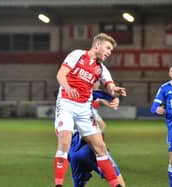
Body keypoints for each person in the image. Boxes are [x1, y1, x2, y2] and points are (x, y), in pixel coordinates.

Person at [54, 33, 126, 187]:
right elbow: (60, 74)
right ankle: (58, 184)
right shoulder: (77, 55)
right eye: (107, 48)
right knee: (65, 142)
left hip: (84, 110)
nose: (109, 52)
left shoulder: (101, 69)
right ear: (97, 45)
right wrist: (67, 87)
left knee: (100, 147)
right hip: (66, 103)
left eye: (111, 50)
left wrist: (115, 92)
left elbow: (110, 86)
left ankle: (116, 185)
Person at [69, 89, 126, 187]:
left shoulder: (63, 107)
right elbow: (99, 94)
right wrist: (114, 97)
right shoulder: (86, 105)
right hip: (91, 148)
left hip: (73, 151)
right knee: (118, 182)